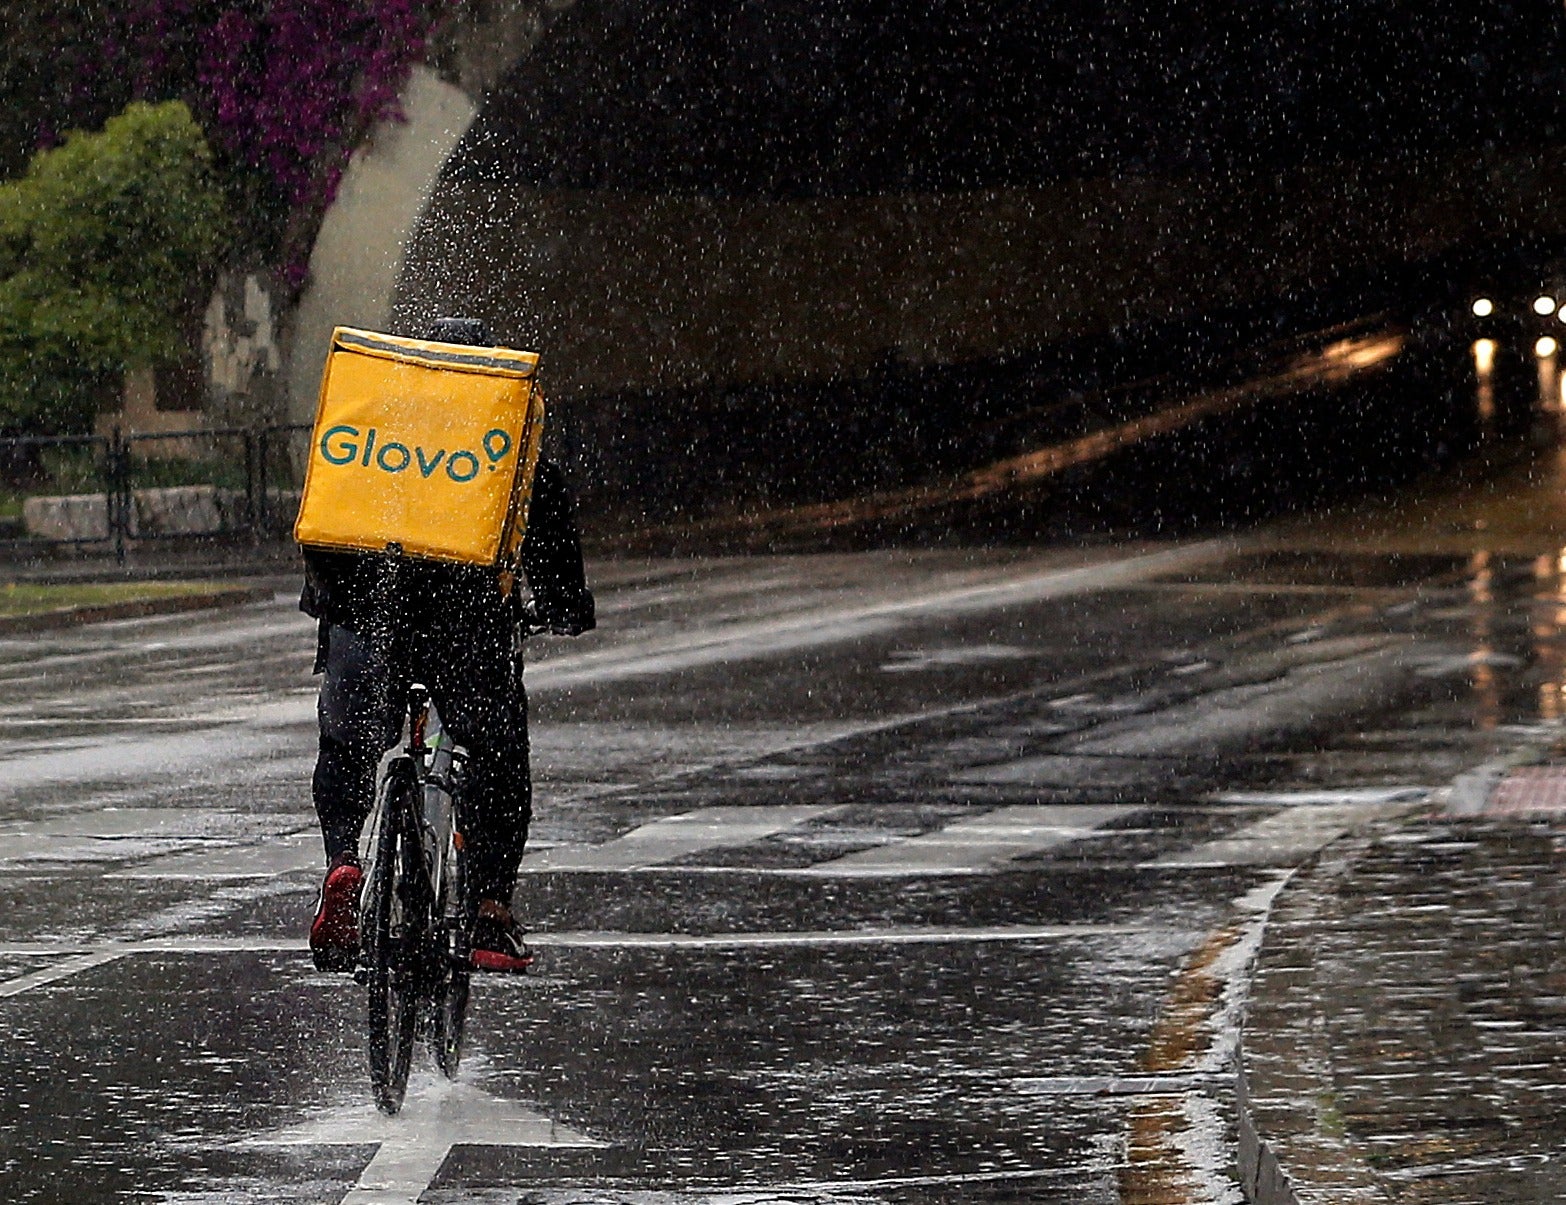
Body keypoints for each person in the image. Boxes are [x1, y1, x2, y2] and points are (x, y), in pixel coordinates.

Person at [300, 316, 595, 974]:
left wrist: (327, 600)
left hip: (365, 616)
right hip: (465, 625)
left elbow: (326, 509)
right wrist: (566, 606)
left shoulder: (373, 428)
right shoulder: (504, 442)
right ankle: (490, 911)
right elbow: (546, 524)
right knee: (496, 755)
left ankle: (345, 861)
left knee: (346, 748)